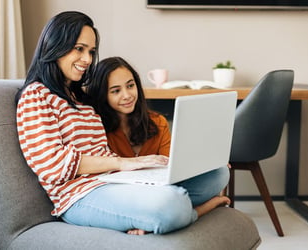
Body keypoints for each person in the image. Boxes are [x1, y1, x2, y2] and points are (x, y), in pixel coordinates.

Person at [16, 11, 228, 236]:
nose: (87, 59)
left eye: (91, 51)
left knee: (218, 174)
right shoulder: (36, 95)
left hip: (113, 181)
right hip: (78, 196)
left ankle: (154, 214)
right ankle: (193, 212)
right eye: (79, 49)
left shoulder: (81, 99)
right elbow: (51, 165)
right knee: (171, 205)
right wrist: (121, 163)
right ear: (55, 44)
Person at [87, 56, 231, 233]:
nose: (127, 95)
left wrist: (203, 163)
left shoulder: (157, 122)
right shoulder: (96, 129)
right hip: (128, 196)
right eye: (116, 91)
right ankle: (196, 211)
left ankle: (166, 214)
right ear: (103, 95)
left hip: (161, 190)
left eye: (130, 86)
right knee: (173, 201)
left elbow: (172, 168)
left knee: (220, 173)